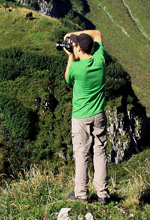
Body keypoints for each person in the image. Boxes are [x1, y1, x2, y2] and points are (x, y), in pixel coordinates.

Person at [63, 29, 108, 203]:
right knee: (100, 152)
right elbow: (97, 33)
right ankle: (102, 194)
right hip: (99, 115)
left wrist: (69, 56)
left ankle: (81, 194)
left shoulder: (76, 67)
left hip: (81, 117)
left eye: (74, 45)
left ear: (79, 49)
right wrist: (76, 35)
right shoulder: (100, 60)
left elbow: (67, 78)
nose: (72, 47)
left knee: (82, 154)